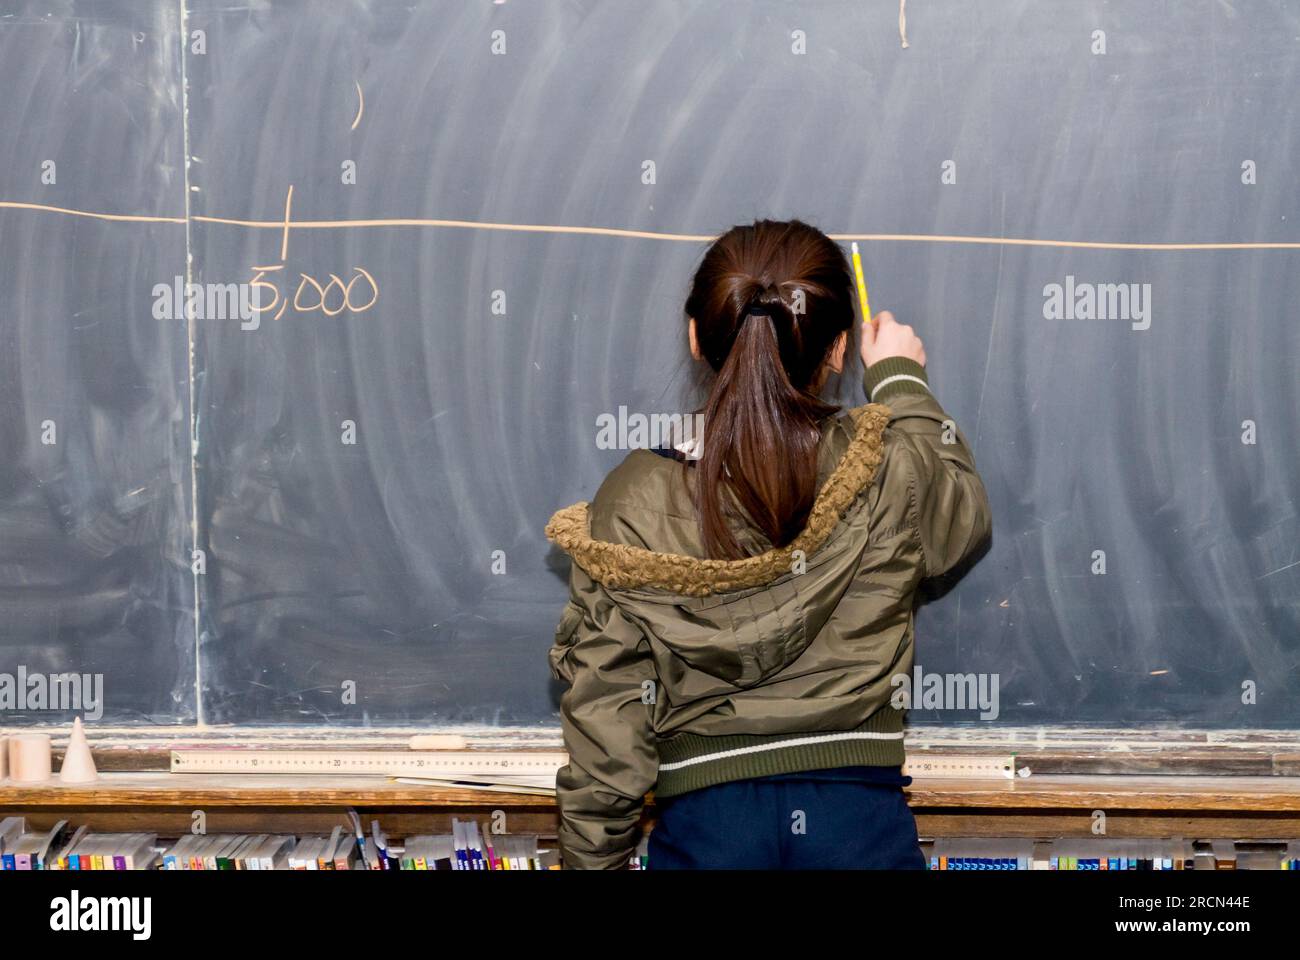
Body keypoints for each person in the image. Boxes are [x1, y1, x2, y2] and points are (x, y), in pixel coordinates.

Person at [544, 218, 991, 869]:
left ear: (697, 337)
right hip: (858, 823)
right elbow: (961, 518)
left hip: (708, 826)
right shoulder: (887, 466)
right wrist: (899, 378)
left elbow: (607, 709)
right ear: (839, 350)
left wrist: (594, 860)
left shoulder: (635, 496)